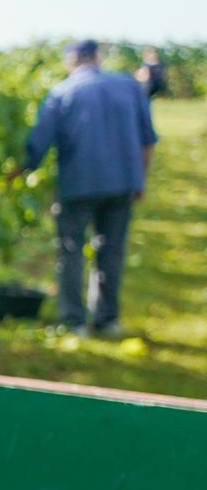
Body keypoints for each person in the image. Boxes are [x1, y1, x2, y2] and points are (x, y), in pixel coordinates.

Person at [11, 38, 159, 338]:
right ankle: (107, 321)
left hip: (78, 184)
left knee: (71, 250)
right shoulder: (130, 87)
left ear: (71, 61)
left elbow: (38, 145)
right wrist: (140, 179)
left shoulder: (62, 92)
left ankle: (74, 321)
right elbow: (148, 140)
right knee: (112, 251)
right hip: (122, 182)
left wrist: (19, 172)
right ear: (97, 57)